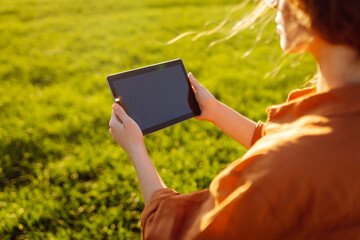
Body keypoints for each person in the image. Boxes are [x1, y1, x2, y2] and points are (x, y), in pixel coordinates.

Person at [109, 0, 360, 238]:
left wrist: (135, 148)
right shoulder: (338, 123)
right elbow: (302, 144)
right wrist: (216, 111)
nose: (271, 3)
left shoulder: (285, 167)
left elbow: (178, 232)